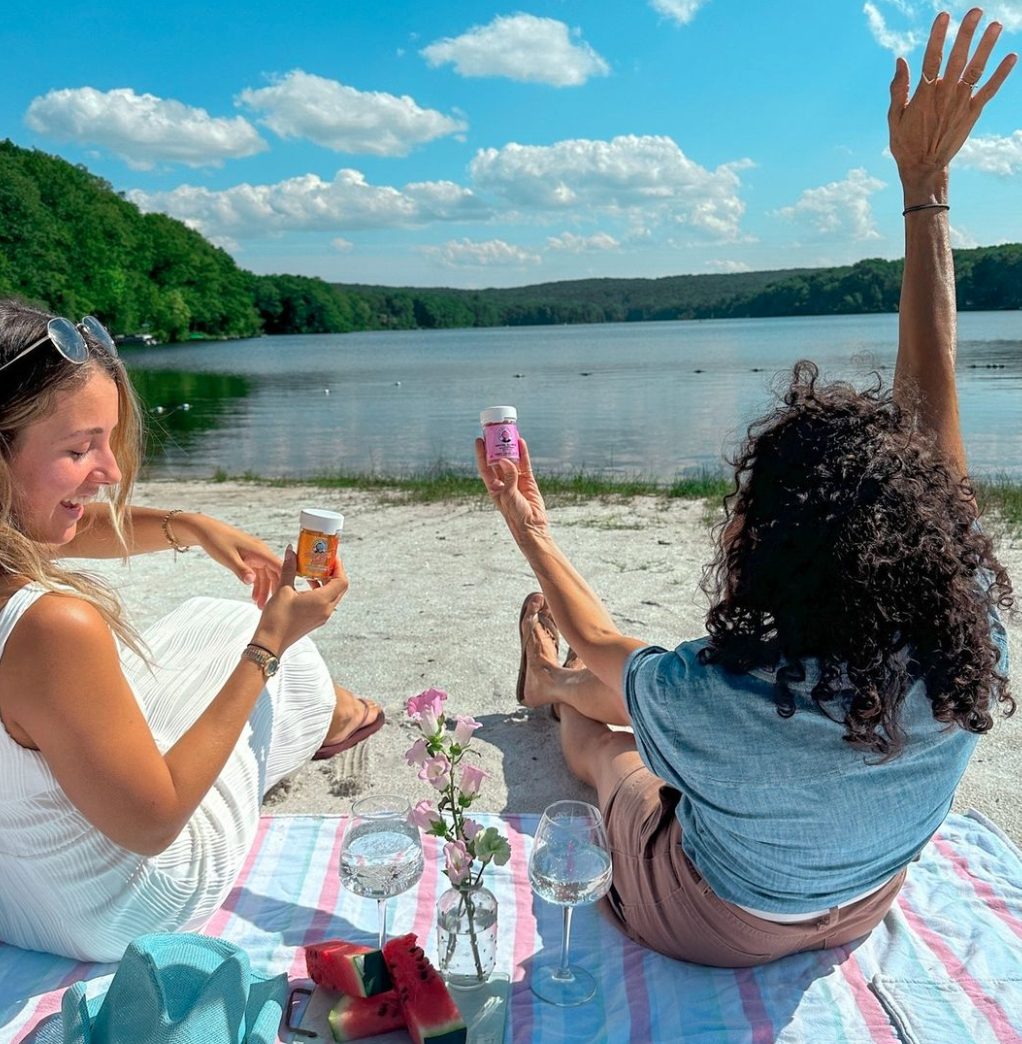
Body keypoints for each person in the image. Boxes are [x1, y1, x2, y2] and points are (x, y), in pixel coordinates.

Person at [477, 9, 1016, 967]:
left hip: (715, 926)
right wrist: (926, 190)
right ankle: (554, 682)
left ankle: (544, 685)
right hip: (866, 898)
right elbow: (933, 435)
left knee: (608, 748)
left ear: (766, 543)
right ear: (926, 538)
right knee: (638, 713)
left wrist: (530, 528)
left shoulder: (716, 692)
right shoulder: (969, 632)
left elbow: (606, 642)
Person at [0, 303, 384, 961]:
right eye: (78, 448)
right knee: (255, 644)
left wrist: (194, 526)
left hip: (16, 897)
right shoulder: (52, 627)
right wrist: (270, 646)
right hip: (121, 904)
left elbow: (34, 525)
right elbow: (154, 825)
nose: (110, 472)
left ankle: (331, 705)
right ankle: (337, 712)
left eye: (107, 441)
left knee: (210, 620)